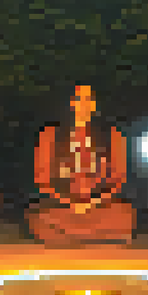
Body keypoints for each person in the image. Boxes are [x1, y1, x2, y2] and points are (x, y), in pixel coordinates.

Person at [26, 84, 136, 246]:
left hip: (98, 206)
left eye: (88, 100)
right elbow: (42, 178)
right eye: (79, 99)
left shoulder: (112, 135)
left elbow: (118, 178)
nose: (84, 104)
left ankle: (72, 235)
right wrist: (70, 202)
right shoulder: (50, 135)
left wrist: (92, 202)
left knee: (122, 215)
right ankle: (94, 235)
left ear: (94, 105)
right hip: (63, 206)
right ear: (72, 103)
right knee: (41, 216)